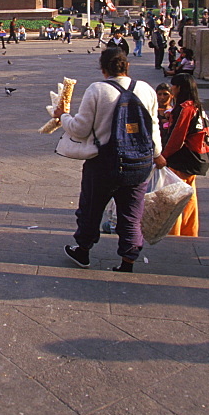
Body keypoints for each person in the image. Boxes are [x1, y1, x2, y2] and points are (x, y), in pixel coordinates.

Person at [58, 48, 165, 272]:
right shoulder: (146, 89)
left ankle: (83, 250)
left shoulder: (97, 90)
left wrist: (62, 117)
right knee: (131, 214)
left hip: (104, 164)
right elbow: (153, 127)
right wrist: (157, 155)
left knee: (91, 209)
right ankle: (128, 259)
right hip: (140, 163)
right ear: (127, 66)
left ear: (103, 69)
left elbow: (80, 129)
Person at [161, 74, 209, 237]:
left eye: (173, 87)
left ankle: (174, 232)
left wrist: (163, 156)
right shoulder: (197, 107)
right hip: (199, 157)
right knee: (190, 196)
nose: (171, 90)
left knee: (175, 198)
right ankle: (189, 231)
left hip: (183, 158)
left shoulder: (185, 108)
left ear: (179, 88)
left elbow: (177, 137)